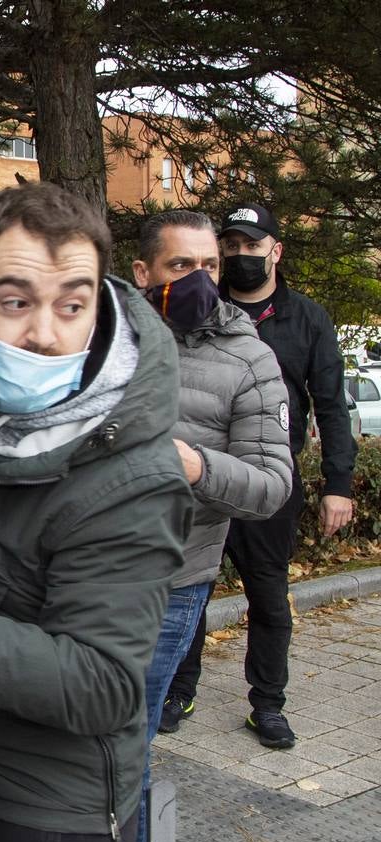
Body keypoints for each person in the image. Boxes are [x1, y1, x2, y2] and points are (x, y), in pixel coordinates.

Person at [0, 183, 194, 842]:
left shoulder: (131, 479)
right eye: (16, 301)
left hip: (40, 830)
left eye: (73, 305)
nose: (46, 335)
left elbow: (105, 684)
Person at [126, 209, 293, 842]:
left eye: (210, 266)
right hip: (73, 574)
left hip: (172, 586)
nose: (199, 280)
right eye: (180, 267)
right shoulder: (101, 332)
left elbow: (271, 487)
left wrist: (196, 465)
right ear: (143, 273)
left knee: (122, 751)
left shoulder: (249, 356)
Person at [163, 203, 357, 750]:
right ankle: (180, 689)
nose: (241, 256)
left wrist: (338, 485)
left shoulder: (308, 319)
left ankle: (267, 703)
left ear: (275, 251)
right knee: (190, 591)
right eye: (232, 247)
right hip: (200, 482)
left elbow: (332, 407)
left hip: (268, 484)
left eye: (252, 246)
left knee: (269, 598)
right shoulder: (204, 312)